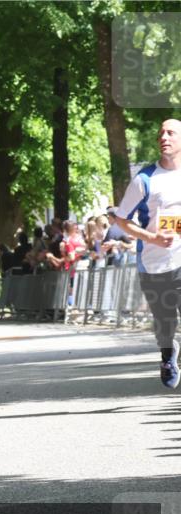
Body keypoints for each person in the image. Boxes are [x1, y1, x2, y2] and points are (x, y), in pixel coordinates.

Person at [109, 118, 181, 388]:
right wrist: (152, 237)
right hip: (154, 263)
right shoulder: (145, 179)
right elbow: (121, 219)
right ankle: (168, 355)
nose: (164, 137)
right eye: (161, 133)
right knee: (165, 321)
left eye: (171, 133)